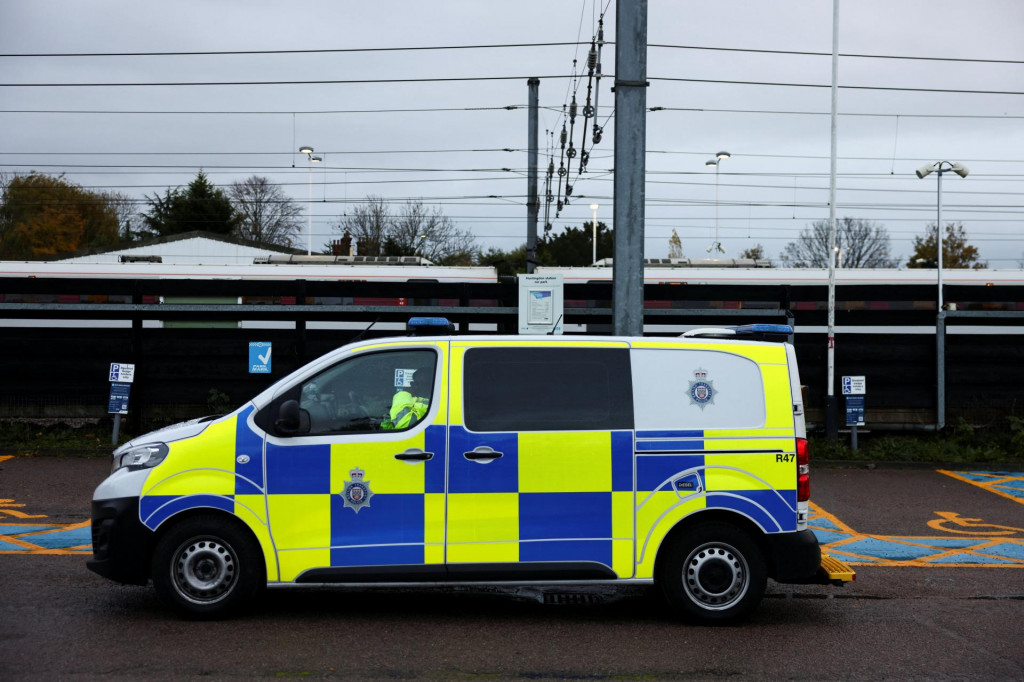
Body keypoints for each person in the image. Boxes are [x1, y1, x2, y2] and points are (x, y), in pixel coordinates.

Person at [381, 365, 431, 430]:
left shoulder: (430, 404)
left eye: (418, 383)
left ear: (430, 385)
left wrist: (404, 393)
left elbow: (404, 424)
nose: (412, 385)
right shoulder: (414, 400)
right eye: (413, 382)